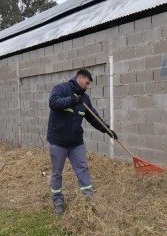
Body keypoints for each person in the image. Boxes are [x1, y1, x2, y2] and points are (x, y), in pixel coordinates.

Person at [47, 68, 117, 215]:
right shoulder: (61, 88)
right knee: (57, 173)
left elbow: (93, 117)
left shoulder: (84, 99)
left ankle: (89, 198)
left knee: (82, 169)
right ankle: (58, 202)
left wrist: (107, 130)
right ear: (79, 78)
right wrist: (71, 100)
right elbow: (53, 103)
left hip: (76, 143)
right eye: (86, 83)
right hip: (58, 141)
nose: (87, 86)